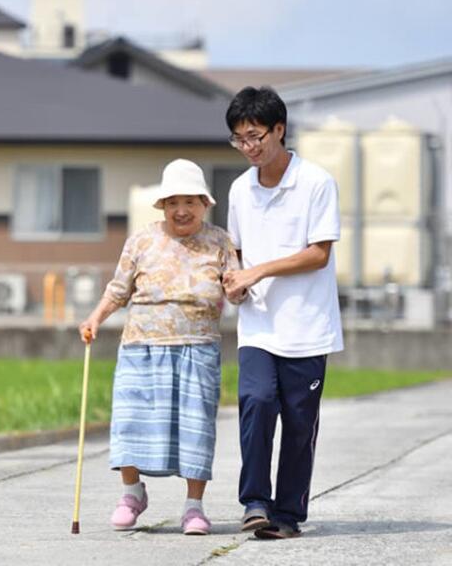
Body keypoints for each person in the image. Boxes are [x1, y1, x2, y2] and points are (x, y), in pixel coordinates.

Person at [79, 158, 243, 535]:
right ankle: (132, 493)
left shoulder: (220, 241)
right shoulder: (142, 240)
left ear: (205, 203)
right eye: (172, 202)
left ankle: (194, 507)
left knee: (196, 427)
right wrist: (94, 318)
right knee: (131, 422)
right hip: (142, 346)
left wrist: (239, 288)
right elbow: (119, 289)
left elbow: (236, 289)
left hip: (197, 347)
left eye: (189, 201)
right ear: (163, 206)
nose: (181, 210)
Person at [222, 86, 344, 540]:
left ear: (280, 129)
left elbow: (318, 254)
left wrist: (258, 271)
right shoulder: (239, 189)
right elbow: (235, 251)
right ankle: (255, 502)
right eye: (239, 139)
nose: (249, 148)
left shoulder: (316, 182)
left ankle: (287, 515)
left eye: (255, 136)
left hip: (308, 327)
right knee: (254, 402)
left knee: (298, 423)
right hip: (257, 325)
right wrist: (235, 280)